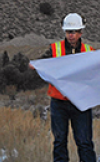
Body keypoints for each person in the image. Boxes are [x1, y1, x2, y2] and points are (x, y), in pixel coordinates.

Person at [31, 13, 96, 162]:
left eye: (73, 32)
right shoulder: (54, 49)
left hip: (81, 104)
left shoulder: (89, 51)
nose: (71, 35)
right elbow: (42, 63)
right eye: (68, 32)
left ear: (81, 32)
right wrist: (35, 65)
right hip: (59, 103)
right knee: (59, 142)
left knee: (84, 142)